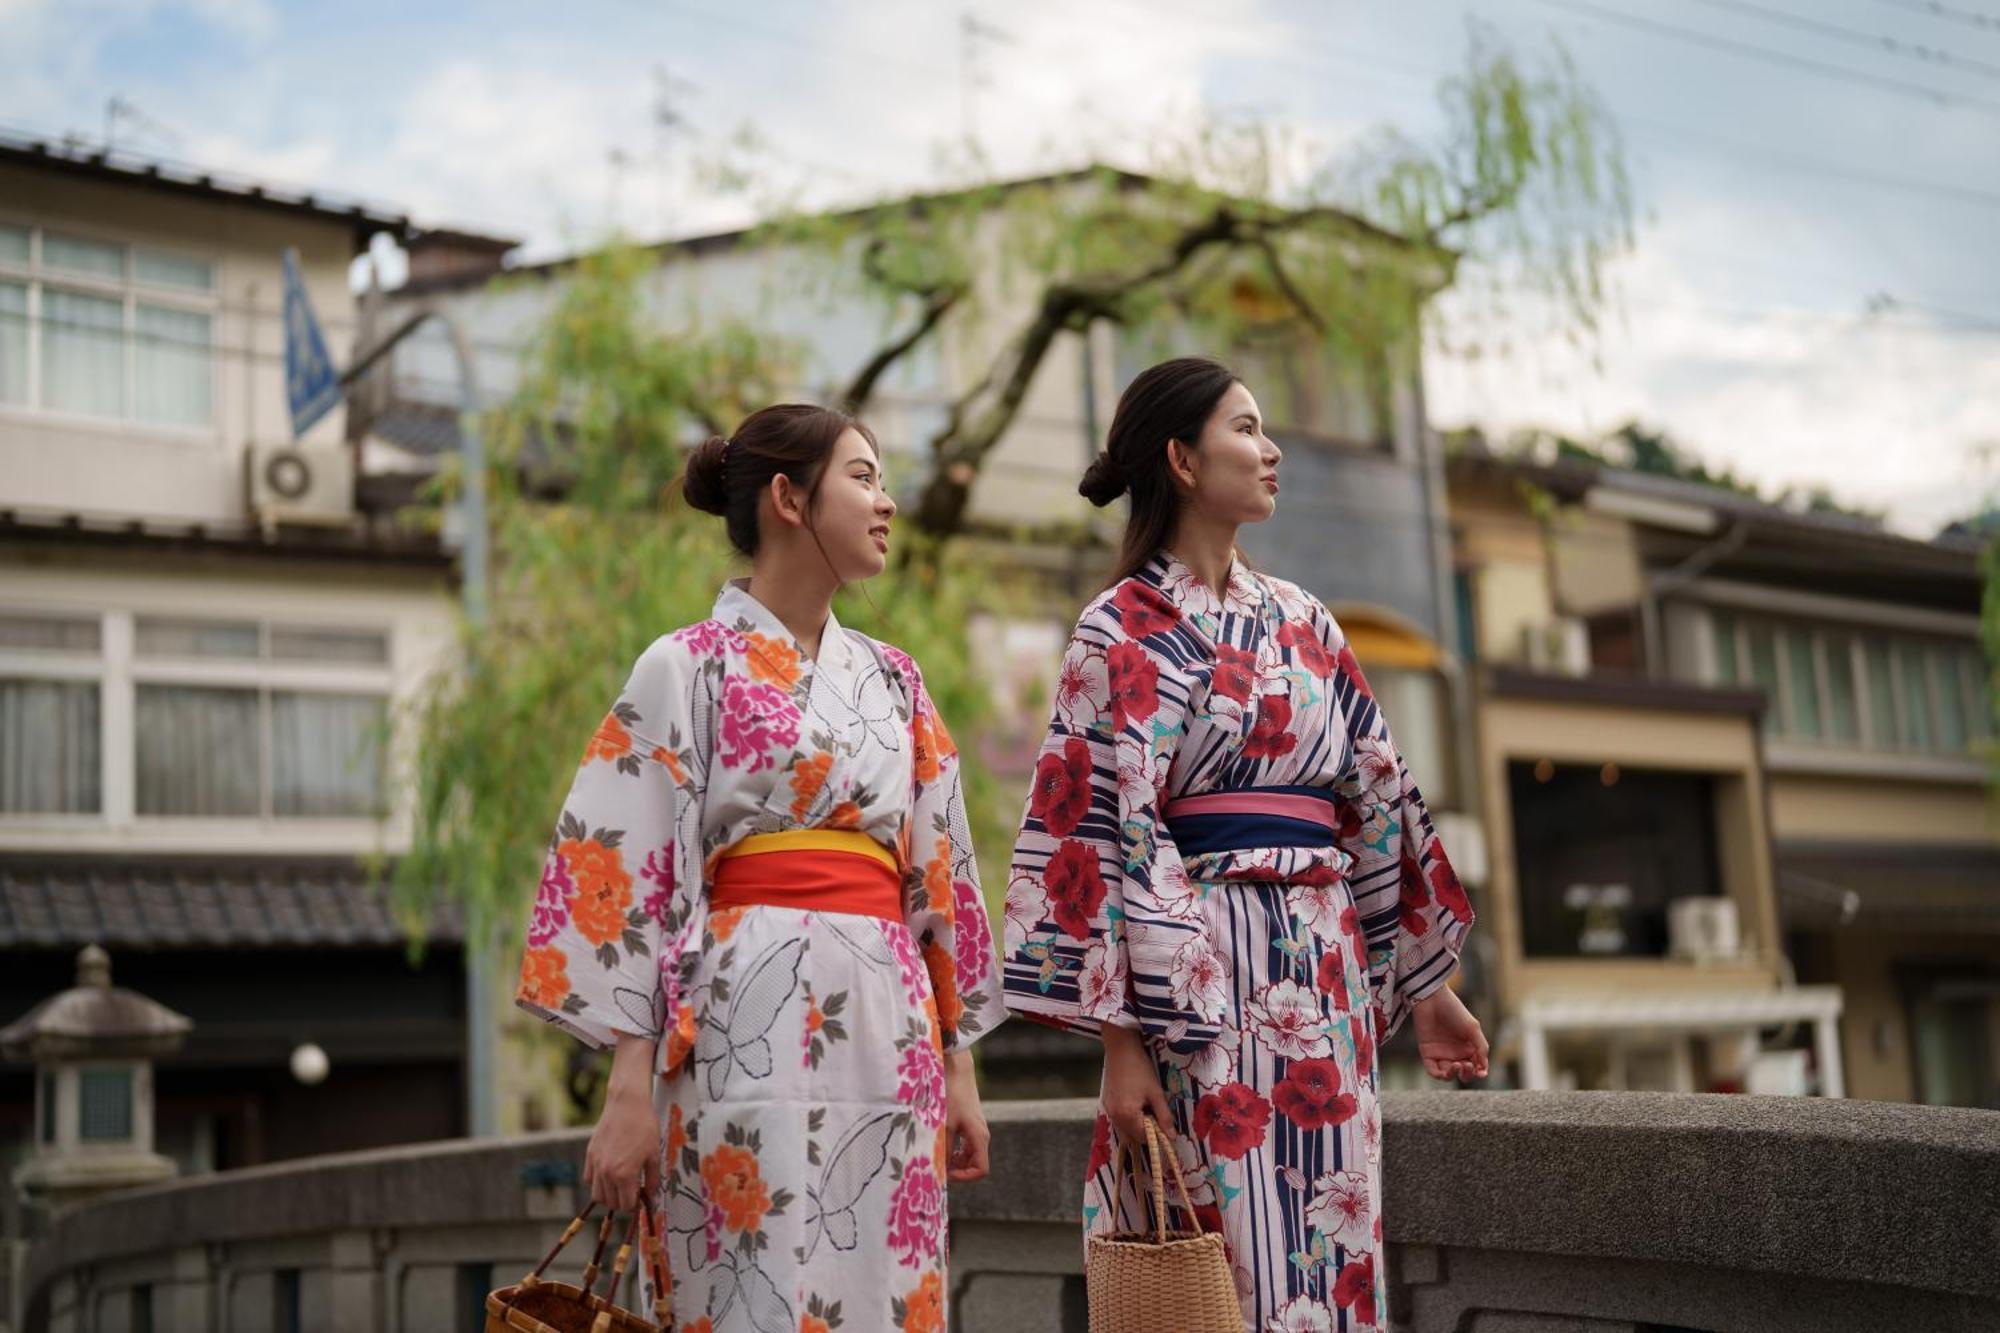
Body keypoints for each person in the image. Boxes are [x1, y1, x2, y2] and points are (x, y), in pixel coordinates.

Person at [1000, 357, 1487, 1331]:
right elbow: (1095, 837)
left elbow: (1376, 798)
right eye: (1246, 429)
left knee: (1332, 1242)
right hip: (1199, 981)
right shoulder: (1119, 628)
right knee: (1226, 1254)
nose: (1270, 452)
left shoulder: (1303, 619)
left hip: (1323, 968)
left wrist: (1426, 989)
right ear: (1180, 458)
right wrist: (1120, 1045)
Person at [515, 403, 1002, 1333]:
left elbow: (938, 875)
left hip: (885, 1024)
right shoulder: (683, 667)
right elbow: (633, 880)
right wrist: (628, 1093)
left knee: (884, 1291)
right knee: (744, 1285)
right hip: (737, 1017)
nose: (887, 501)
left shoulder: (896, 681)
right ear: (789, 497)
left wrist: (961, 1066)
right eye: (862, 477)